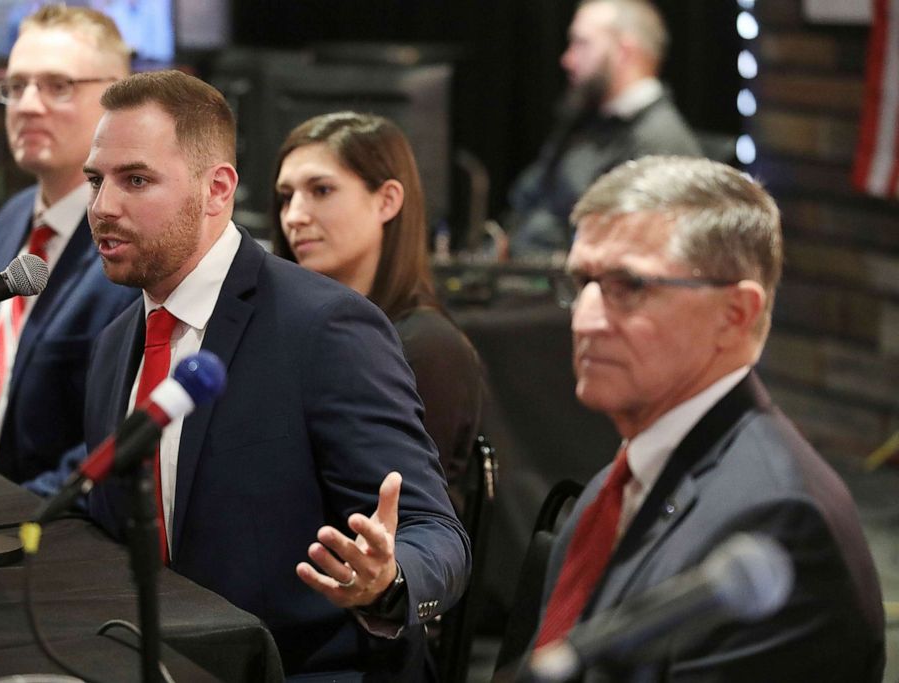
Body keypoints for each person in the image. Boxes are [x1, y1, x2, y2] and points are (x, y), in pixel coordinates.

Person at [82, 70, 470, 680]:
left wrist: (388, 579)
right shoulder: (113, 345)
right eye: (94, 180)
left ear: (217, 190)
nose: (103, 206)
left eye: (135, 180)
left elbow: (435, 532)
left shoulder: (326, 326)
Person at [510, 156, 884, 681]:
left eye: (630, 286)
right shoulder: (617, 481)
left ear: (735, 315)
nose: (585, 318)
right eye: (582, 282)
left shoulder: (778, 523)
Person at [0, 5, 138, 492]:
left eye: (57, 85)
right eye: (16, 85)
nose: (26, 104)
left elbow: (113, 444)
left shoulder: (134, 242)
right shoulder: (11, 218)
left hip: (51, 533)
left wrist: (0, 515)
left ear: (118, 98)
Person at [271, 111, 483, 515]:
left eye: (321, 190)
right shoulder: (288, 331)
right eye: (286, 196)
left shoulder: (427, 347)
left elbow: (404, 515)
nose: (294, 216)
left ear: (386, 200)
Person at [505, 0, 701, 258]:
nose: (567, 59)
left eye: (582, 43)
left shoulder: (663, 145)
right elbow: (527, 197)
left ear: (623, 51)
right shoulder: (582, 119)